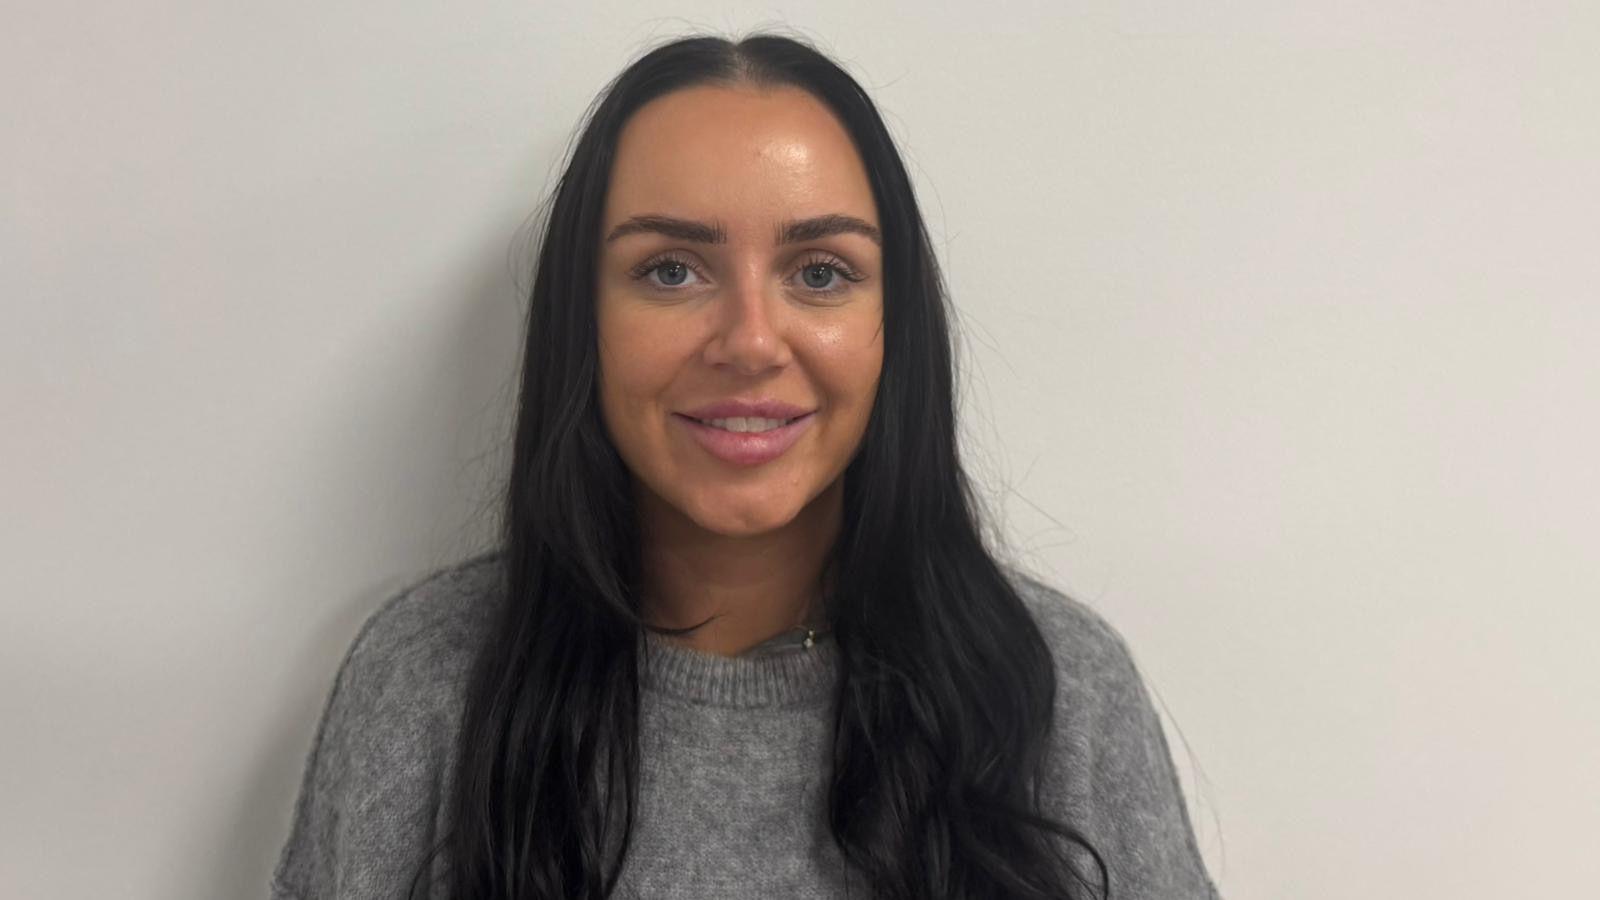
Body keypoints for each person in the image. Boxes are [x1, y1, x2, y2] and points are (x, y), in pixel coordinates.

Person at [269, 32, 1220, 900]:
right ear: (583, 321)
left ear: (895, 330)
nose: (752, 343)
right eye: (671, 269)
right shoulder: (431, 679)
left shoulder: (1057, 691)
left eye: (819, 272)